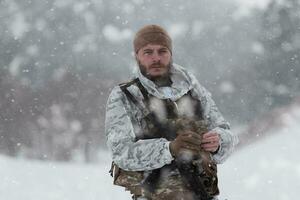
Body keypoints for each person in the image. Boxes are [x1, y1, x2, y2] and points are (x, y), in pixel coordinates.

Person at [105, 24, 238, 200]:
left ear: (171, 54)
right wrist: (169, 149)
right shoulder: (126, 95)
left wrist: (218, 142)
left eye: (162, 51)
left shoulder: (192, 88)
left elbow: (227, 133)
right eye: (148, 52)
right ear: (136, 55)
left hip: (202, 194)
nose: (156, 58)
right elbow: (121, 152)